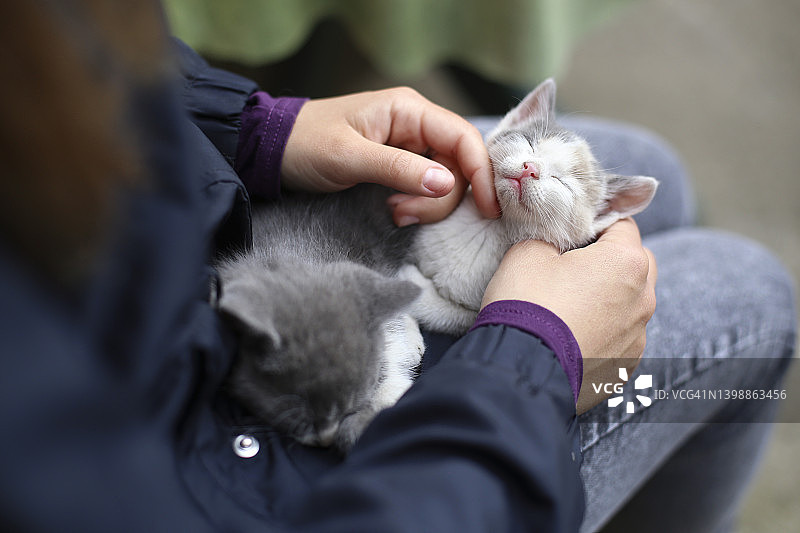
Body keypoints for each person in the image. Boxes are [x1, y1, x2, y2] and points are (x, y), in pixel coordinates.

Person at [0, 2, 794, 532]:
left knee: (659, 174)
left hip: (194, 254)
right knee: (753, 293)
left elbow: (66, 56)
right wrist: (534, 358)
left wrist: (255, 127)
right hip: (307, 454)